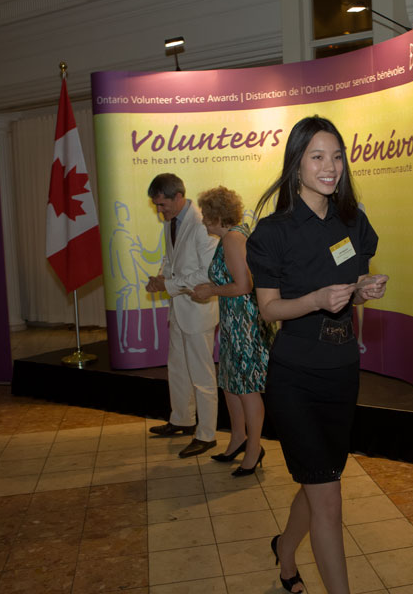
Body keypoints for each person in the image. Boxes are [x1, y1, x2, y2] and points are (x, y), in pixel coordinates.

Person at [246, 116, 387, 594]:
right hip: (296, 377)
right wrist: (314, 301)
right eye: (318, 157)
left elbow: (352, 292)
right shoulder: (273, 232)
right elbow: (268, 310)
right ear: (297, 162)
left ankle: (285, 550)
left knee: (320, 478)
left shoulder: (352, 221)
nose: (331, 168)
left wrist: (365, 289)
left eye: (337, 156)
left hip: (342, 371)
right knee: (329, 498)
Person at [191, 186, 272, 476]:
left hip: (245, 325)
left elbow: (244, 286)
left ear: (216, 215)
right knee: (231, 383)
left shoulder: (234, 239)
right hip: (234, 323)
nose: (202, 221)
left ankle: (254, 448)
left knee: (248, 389)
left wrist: (210, 290)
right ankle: (238, 438)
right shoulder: (232, 236)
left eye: (205, 215)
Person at [145, 173, 220, 459]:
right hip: (178, 307)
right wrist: (161, 277)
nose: (159, 210)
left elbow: (208, 273)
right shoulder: (171, 221)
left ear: (178, 197)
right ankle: (182, 419)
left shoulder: (203, 223)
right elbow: (171, 259)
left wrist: (170, 285)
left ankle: (207, 434)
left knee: (202, 375)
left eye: (162, 205)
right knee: (176, 367)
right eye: (156, 206)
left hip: (199, 310)